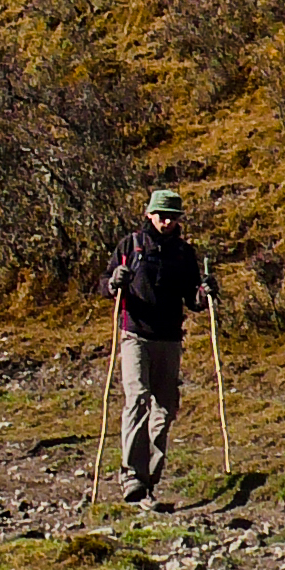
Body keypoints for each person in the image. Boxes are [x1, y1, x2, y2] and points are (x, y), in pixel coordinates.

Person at [104, 190, 208, 506]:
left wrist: (205, 293)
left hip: (170, 339)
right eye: (161, 215)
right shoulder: (131, 246)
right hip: (135, 335)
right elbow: (104, 284)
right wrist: (114, 281)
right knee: (137, 400)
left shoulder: (184, 253)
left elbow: (193, 300)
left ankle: (149, 477)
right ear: (149, 214)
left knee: (164, 408)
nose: (166, 221)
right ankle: (132, 477)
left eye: (172, 217)